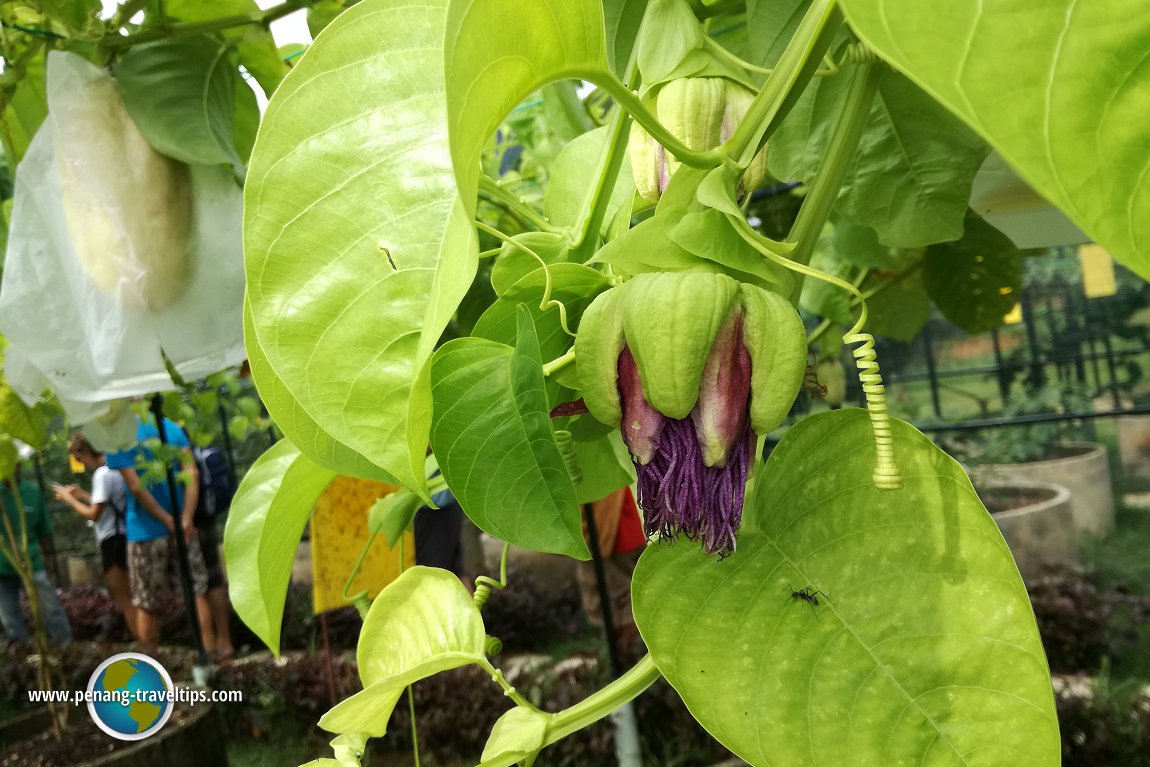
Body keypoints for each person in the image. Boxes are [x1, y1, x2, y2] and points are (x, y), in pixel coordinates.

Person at [105, 413, 214, 654]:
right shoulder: (172, 428)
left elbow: (135, 486)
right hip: (184, 530)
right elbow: (191, 474)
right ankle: (210, 658)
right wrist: (184, 518)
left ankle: (151, 667)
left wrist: (166, 520)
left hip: (145, 532)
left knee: (146, 604)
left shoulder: (120, 435)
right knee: (195, 593)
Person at [53, 432, 139, 642]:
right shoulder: (117, 468)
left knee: (125, 599)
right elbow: (107, 502)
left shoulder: (101, 474)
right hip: (126, 536)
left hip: (112, 541)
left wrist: (68, 500)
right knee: (134, 596)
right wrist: (83, 496)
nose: (79, 462)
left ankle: (146, 645)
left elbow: (94, 514)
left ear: (84, 450)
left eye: (78, 456)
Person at [0, 470, 72, 645]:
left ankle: (64, 646)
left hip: (32, 562)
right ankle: (21, 652)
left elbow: (44, 530)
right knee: (9, 615)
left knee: (50, 607)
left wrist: (48, 557)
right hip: (2, 566)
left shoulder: (32, 492)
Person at [191, 444, 234, 659]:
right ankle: (225, 642)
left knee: (196, 586)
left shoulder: (176, 448)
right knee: (214, 580)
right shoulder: (198, 449)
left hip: (191, 524)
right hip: (208, 520)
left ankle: (208, 646)